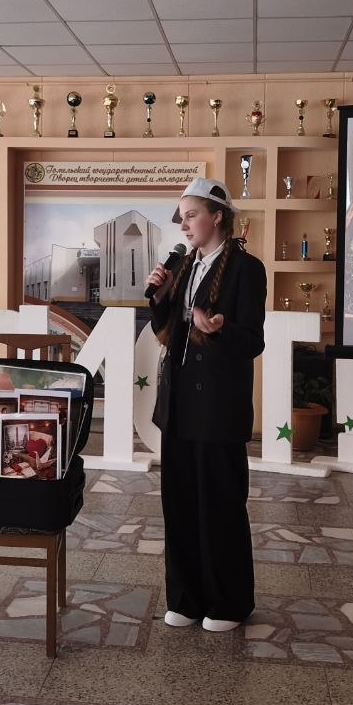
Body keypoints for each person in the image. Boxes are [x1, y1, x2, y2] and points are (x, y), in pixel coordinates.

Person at [146, 177, 266, 633]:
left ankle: (228, 602)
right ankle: (186, 597)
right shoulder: (182, 266)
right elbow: (168, 333)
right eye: (181, 217)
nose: (184, 225)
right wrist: (160, 298)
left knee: (219, 505)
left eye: (191, 215)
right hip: (178, 405)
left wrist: (220, 329)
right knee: (178, 505)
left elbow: (252, 341)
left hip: (218, 408)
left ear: (218, 217)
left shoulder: (246, 269)